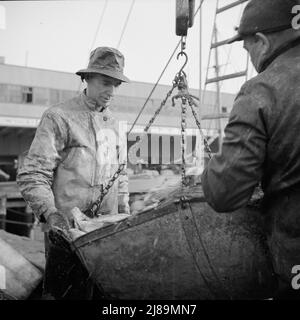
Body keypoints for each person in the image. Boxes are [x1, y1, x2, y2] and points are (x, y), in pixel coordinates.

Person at [201, 0, 300, 299]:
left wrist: (211, 170)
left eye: (247, 49)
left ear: (262, 40)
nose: (254, 59)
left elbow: (224, 193)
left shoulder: (262, 90)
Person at [17, 47, 131, 299]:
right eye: (104, 82)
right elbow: (33, 174)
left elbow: (120, 176)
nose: (111, 91)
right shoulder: (59, 117)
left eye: (115, 84)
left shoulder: (115, 124)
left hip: (105, 235)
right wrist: (50, 213)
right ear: (86, 79)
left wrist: (125, 213)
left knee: (102, 295)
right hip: (66, 233)